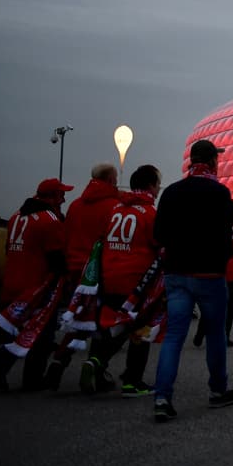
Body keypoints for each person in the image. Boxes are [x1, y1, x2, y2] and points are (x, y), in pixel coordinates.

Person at [151, 140, 233, 422]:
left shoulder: (172, 192)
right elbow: (228, 232)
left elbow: (158, 234)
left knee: (174, 336)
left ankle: (162, 397)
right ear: (213, 162)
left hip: (177, 273)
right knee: (215, 334)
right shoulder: (220, 193)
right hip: (210, 274)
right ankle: (217, 391)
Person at [81, 164, 162, 397]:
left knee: (108, 323)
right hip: (136, 283)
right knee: (140, 329)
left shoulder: (116, 210)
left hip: (109, 278)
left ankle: (95, 363)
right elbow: (158, 245)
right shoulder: (149, 214)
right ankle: (132, 381)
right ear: (149, 186)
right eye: (157, 184)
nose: (158, 190)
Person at [0, 178, 72, 392]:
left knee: (20, 330)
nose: (64, 198)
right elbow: (55, 257)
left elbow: (8, 248)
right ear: (51, 197)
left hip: (12, 282)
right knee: (41, 333)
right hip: (37, 285)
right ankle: (31, 379)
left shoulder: (16, 216)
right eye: (61, 195)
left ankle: (0, 365)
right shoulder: (49, 220)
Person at [44, 163, 124, 389]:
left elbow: (65, 236)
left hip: (75, 272)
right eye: (115, 178)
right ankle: (95, 372)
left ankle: (58, 363)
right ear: (109, 180)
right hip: (99, 273)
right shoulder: (114, 206)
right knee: (102, 323)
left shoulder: (76, 205)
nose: (117, 182)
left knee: (78, 321)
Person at [196, 208, 233, 347]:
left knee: (211, 303)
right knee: (229, 305)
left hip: (215, 268)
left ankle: (201, 332)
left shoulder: (214, 225)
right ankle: (224, 335)